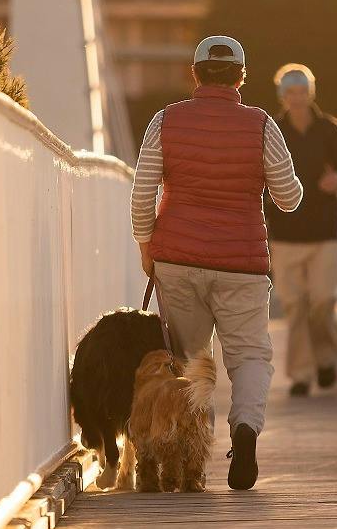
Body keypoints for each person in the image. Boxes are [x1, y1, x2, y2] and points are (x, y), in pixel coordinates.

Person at [130, 35, 303, 490]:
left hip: (177, 261)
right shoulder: (263, 126)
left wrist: (146, 245)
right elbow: (289, 198)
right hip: (241, 262)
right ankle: (244, 433)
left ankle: (190, 458)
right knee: (248, 356)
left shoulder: (164, 121)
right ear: (241, 76)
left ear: (195, 73)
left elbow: (141, 191)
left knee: (189, 362)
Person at [265, 64, 337, 396]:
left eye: (302, 92)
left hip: (324, 233)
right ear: (283, 96)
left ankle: (325, 359)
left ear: (310, 93)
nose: (297, 99)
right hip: (285, 234)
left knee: (321, 302)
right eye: (290, 93)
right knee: (295, 307)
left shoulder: (329, 129)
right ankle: (302, 375)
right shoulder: (272, 131)